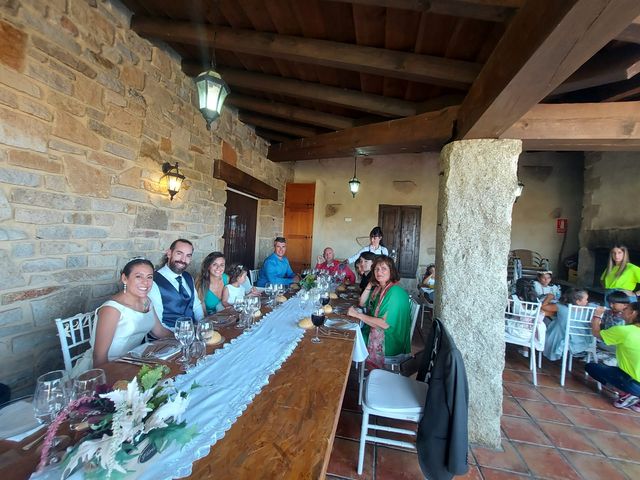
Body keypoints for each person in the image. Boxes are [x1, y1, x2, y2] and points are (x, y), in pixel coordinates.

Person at [92, 258, 172, 367]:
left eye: (149, 277)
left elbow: (159, 332)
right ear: (125, 278)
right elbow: (99, 357)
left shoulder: (147, 302)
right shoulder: (111, 309)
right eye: (138, 276)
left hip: (133, 361)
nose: (145, 282)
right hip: (109, 366)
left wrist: (185, 336)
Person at [347, 256, 411, 369]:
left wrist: (357, 315)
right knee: (349, 331)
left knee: (349, 337)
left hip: (390, 341)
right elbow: (362, 303)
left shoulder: (394, 292)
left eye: (383, 268)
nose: (379, 272)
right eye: (376, 269)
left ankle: (344, 371)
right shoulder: (381, 288)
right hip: (379, 332)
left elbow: (383, 324)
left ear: (391, 271)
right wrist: (370, 284)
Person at [586, 302, 640, 411]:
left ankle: (627, 393)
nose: (623, 309)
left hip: (633, 382)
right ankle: (637, 401)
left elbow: (596, 333)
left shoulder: (625, 331)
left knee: (591, 367)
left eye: (626, 308)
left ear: (633, 313)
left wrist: (597, 315)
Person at [149, 239, 205, 329]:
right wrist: (183, 334)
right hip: (167, 337)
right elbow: (157, 323)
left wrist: (202, 325)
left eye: (188, 256)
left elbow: (196, 305)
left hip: (193, 333)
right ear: (169, 253)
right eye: (179, 253)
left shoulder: (188, 277)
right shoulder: (154, 281)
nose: (183, 260)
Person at [543, 289, 591, 361]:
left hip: (564, 336)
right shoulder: (589, 310)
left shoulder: (561, 307)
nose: (587, 301)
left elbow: (543, 307)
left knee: (554, 322)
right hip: (583, 338)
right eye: (586, 299)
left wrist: (549, 297)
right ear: (578, 302)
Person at [196, 251, 229, 316]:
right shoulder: (201, 283)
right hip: (210, 320)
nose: (218, 268)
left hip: (227, 317)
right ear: (208, 266)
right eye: (214, 264)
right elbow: (201, 312)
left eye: (222, 265)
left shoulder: (226, 278)